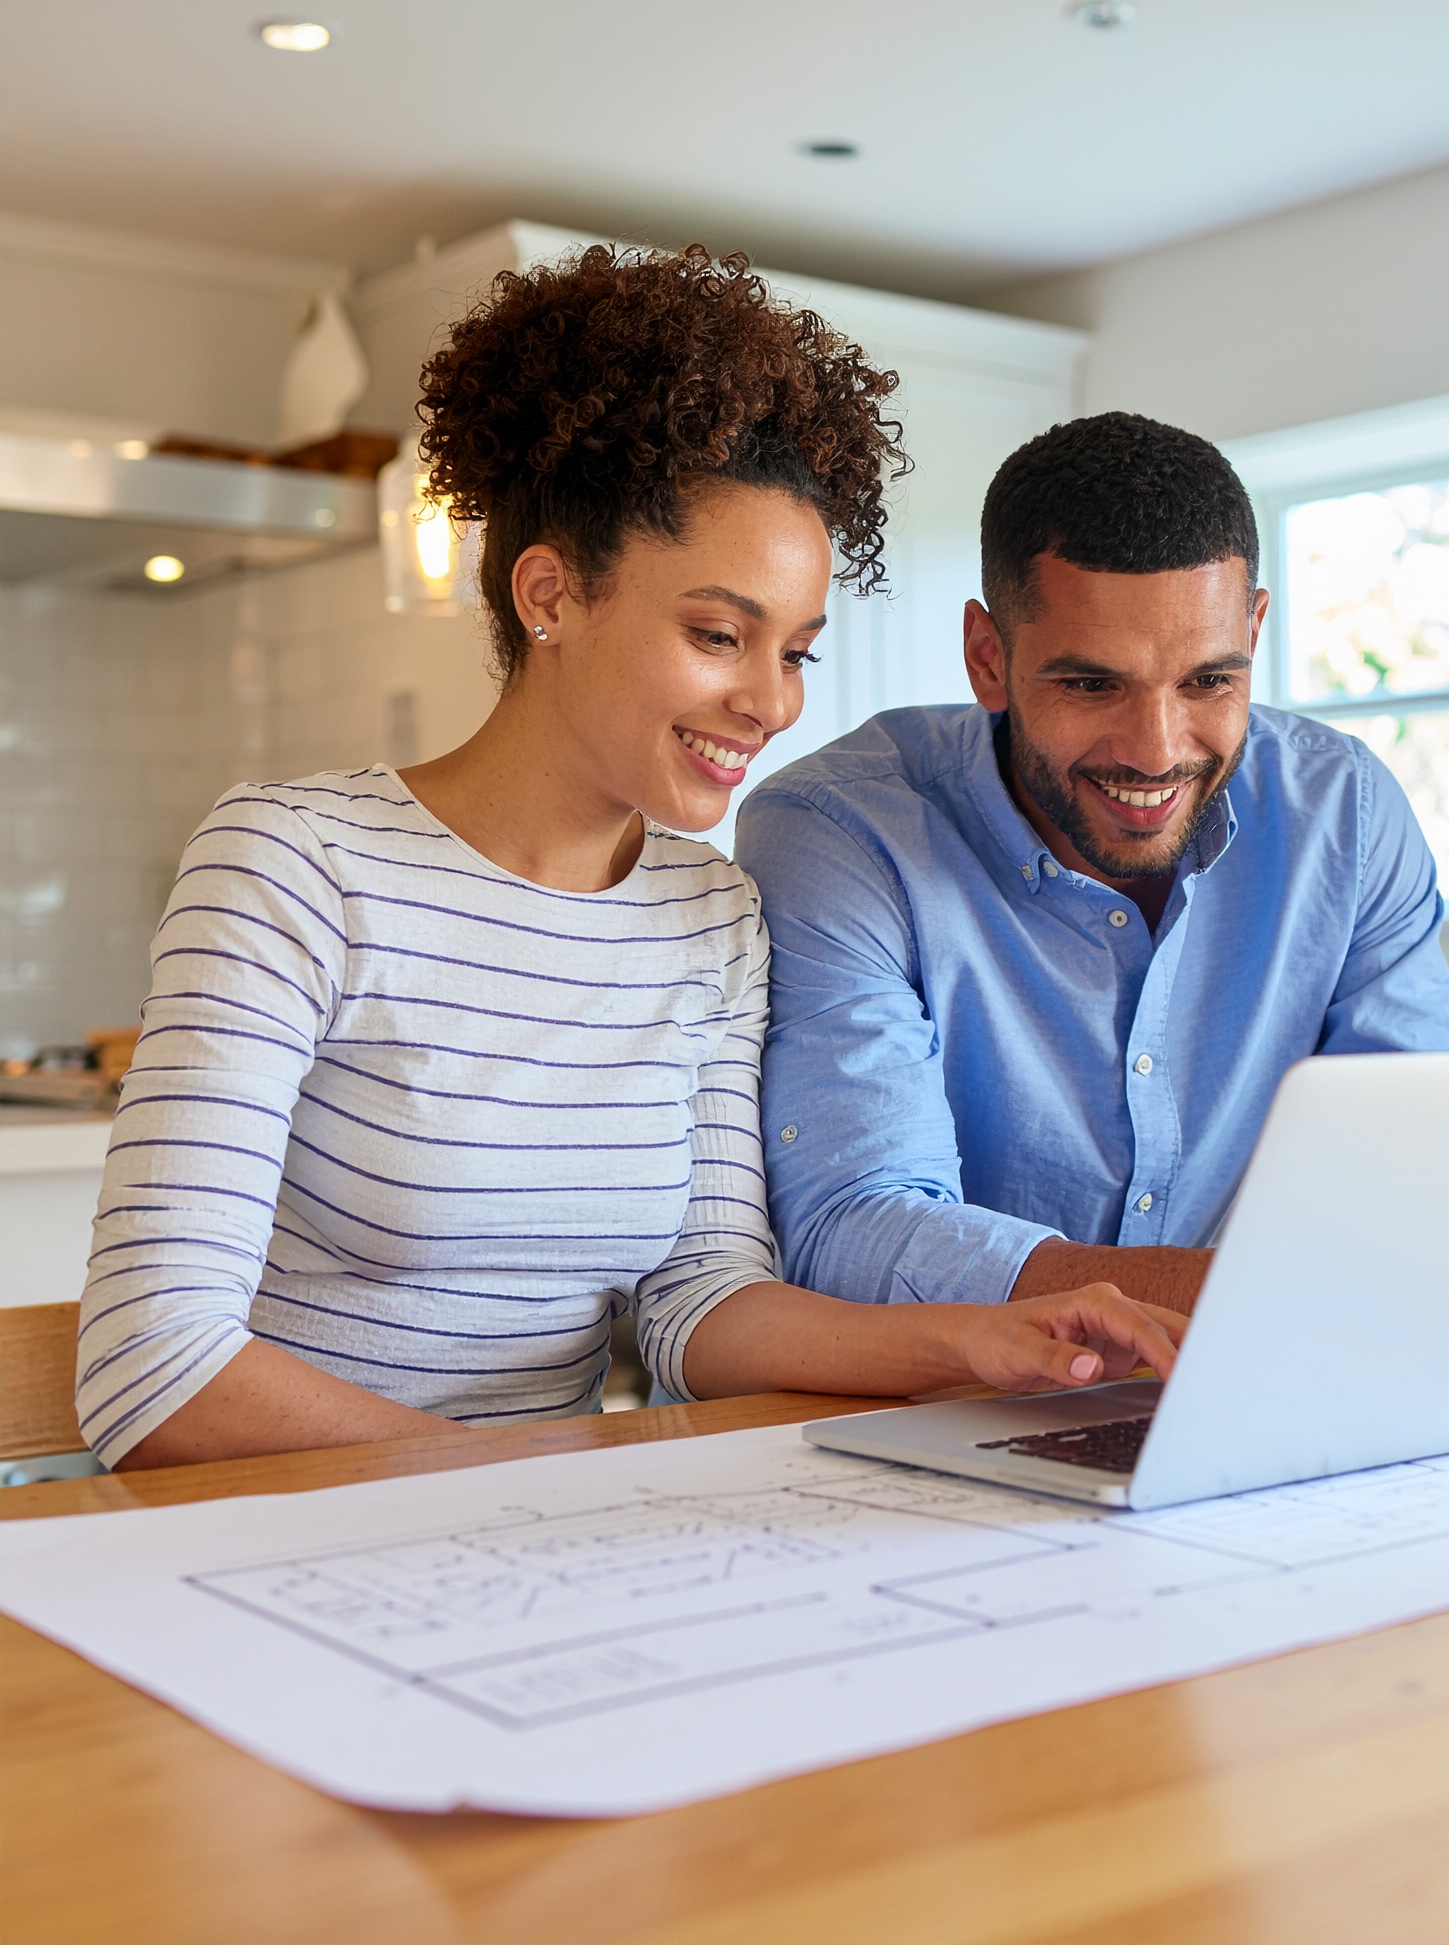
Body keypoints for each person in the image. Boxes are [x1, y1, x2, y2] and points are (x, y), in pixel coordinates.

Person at [73, 253, 1182, 1473]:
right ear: (549, 593)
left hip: (543, 1540)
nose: (769, 702)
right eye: (718, 634)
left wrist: (976, 1340)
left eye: (798, 651)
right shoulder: (296, 863)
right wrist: (545, 1485)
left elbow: (696, 1301)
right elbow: (155, 1363)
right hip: (281, 1537)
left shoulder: (707, 912)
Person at [735, 412, 1449, 1379]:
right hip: (920, 1425)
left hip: (1238, 1405)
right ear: (988, 657)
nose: (1155, 748)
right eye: (1091, 684)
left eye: (1208, 681)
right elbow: (854, 1224)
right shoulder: (841, 830)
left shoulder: (1340, 812)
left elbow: (1418, 1152)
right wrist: (1278, 1298)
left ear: (1255, 631)